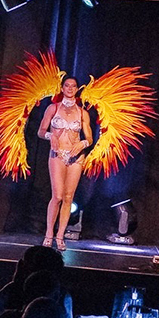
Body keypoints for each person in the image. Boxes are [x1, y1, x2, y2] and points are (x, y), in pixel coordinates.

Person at [37, 76, 92, 251]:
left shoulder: (82, 113)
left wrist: (82, 143)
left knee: (68, 197)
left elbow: (90, 138)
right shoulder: (53, 108)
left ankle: (60, 236)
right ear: (62, 88)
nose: (70, 88)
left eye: (73, 86)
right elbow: (41, 131)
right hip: (58, 154)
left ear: (77, 89)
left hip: (76, 157)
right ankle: (49, 234)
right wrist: (50, 136)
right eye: (67, 85)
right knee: (58, 196)